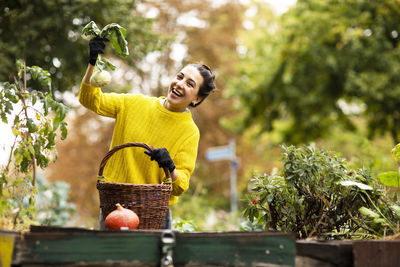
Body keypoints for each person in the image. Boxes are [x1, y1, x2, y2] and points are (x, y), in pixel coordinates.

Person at [79, 37, 216, 229]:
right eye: (179, 76)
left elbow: (180, 186)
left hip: (154, 212)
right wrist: (93, 63)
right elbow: (90, 100)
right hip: (115, 207)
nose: (179, 84)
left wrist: (169, 165)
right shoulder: (134, 103)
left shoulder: (189, 132)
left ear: (197, 99)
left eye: (190, 84)